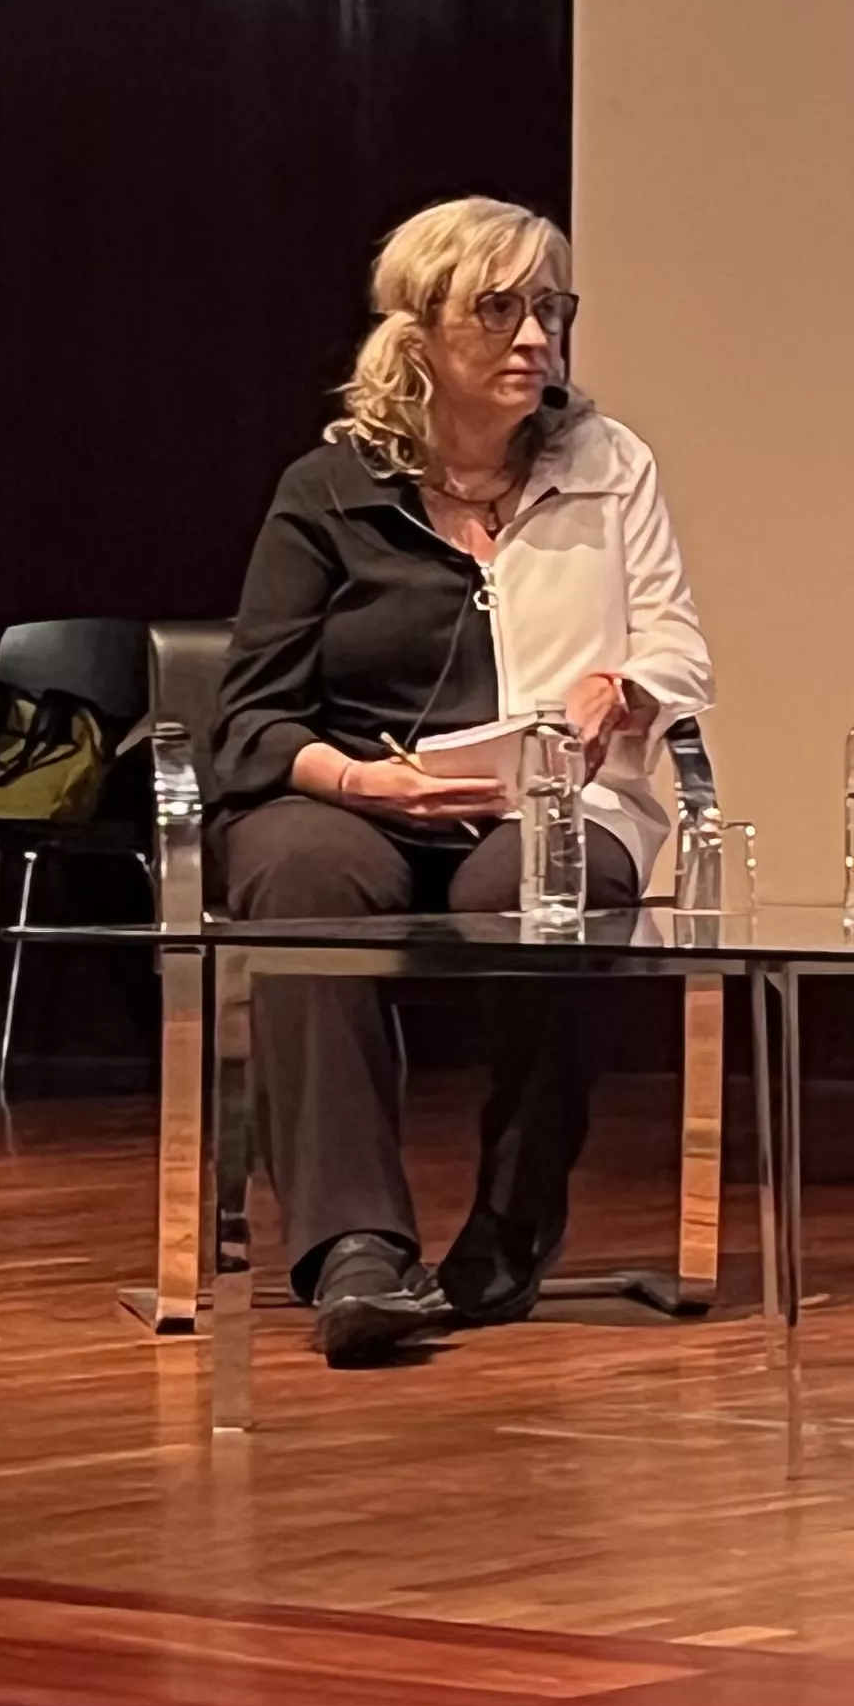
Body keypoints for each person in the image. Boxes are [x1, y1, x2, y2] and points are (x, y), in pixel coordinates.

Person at [209, 197, 712, 1367]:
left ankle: (511, 1225)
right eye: (499, 309)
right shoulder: (328, 489)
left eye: (551, 309)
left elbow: (678, 644)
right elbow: (254, 719)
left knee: (543, 882)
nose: (536, 337)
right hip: (359, 793)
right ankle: (353, 1252)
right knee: (300, 876)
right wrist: (364, 786)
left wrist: (625, 685)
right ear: (420, 331)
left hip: (554, 794)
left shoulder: (608, 464)